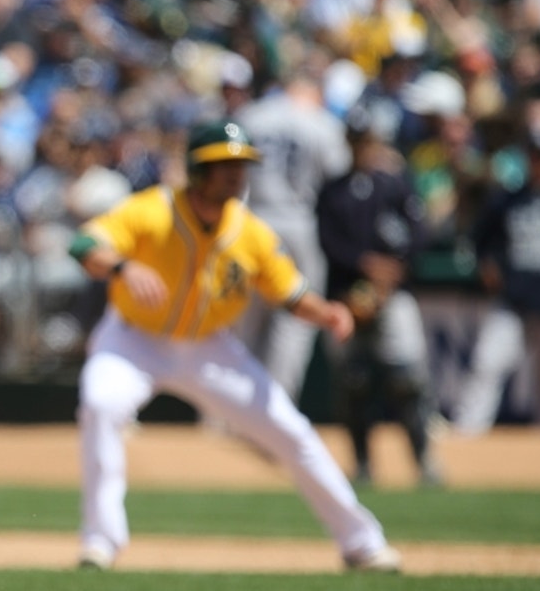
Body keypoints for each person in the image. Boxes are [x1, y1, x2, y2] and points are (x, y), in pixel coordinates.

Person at [69, 119, 401, 573]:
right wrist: (123, 267)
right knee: (101, 403)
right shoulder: (153, 209)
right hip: (132, 339)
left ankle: (363, 542)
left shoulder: (251, 233)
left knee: (292, 432)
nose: (234, 174)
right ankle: (100, 542)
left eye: (240, 164)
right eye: (223, 164)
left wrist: (327, 313)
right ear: (196, 169)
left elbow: (291, 294)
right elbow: (85, 243)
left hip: (209, 347)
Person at [315, 106, 441, 487]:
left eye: (368, 140)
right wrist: (364, 264)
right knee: (353, 383)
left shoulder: (395, 184)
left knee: (407, 380)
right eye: (357, 140)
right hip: (347, 296)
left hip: (394, 294)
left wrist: (394, 269)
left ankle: (424, 463)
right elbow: (329, 242)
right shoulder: (334, 190)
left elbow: (420, 233)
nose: (363, 147)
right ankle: (363, 465)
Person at [235, 69, 351, 402]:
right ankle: (277, 404)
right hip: (299, 221)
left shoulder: (251, 116)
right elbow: (338, 172)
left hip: (252, 220)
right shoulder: (322, 121)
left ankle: (225, 412)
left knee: (243, 320)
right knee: (297, 319)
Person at [456, 125, 540, 435]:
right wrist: (487, 265)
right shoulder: (507, 200)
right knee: (487, 362)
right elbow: (478, 240)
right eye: (535, 155)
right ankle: (467, 434)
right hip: (513, 298)